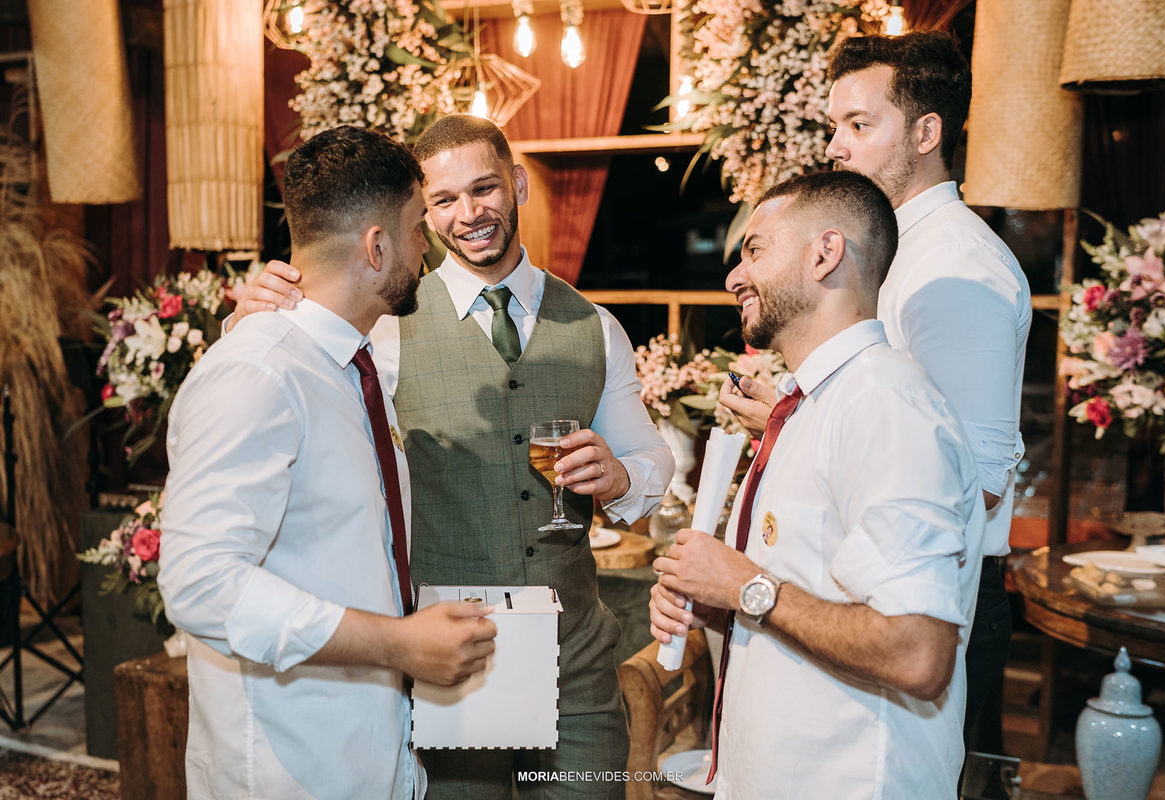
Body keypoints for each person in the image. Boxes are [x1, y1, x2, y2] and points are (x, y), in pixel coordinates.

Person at [229, 114, 673, 799]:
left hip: (576, 660)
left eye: (484, 188)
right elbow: (284, 382)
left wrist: (621, 476)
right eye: (442, 200)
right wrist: (247, 320)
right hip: (451, 656)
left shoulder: (594, 324)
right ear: (423, 212)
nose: (468, 214)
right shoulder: (384, 324)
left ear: (517, 184)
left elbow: (650, 459)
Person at [158, 125, 498, 800]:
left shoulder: (349, 367)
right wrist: (397, 644)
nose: (427, 246)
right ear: (376, 247)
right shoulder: (258, 371)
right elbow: (199, 583)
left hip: (370, 751)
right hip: (290, 768)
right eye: (416, 227)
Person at [720, 31, 1031, 747]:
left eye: (859, 125)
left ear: (926, 134)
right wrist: (789, 419)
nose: (836, 146)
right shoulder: (899, 250)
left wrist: (799, 432)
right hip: (863, 588)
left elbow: (975, 479)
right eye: (835, 125)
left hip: (930, 604)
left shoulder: (955, 267)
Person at [650, 170, 986, 798]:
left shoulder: (885, 404)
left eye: (755, 250)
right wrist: (717, 602)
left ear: (825, 254)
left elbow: (918, 652)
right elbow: (805, 595)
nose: (733, 277)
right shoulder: (811, 406)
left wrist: (743, 585)